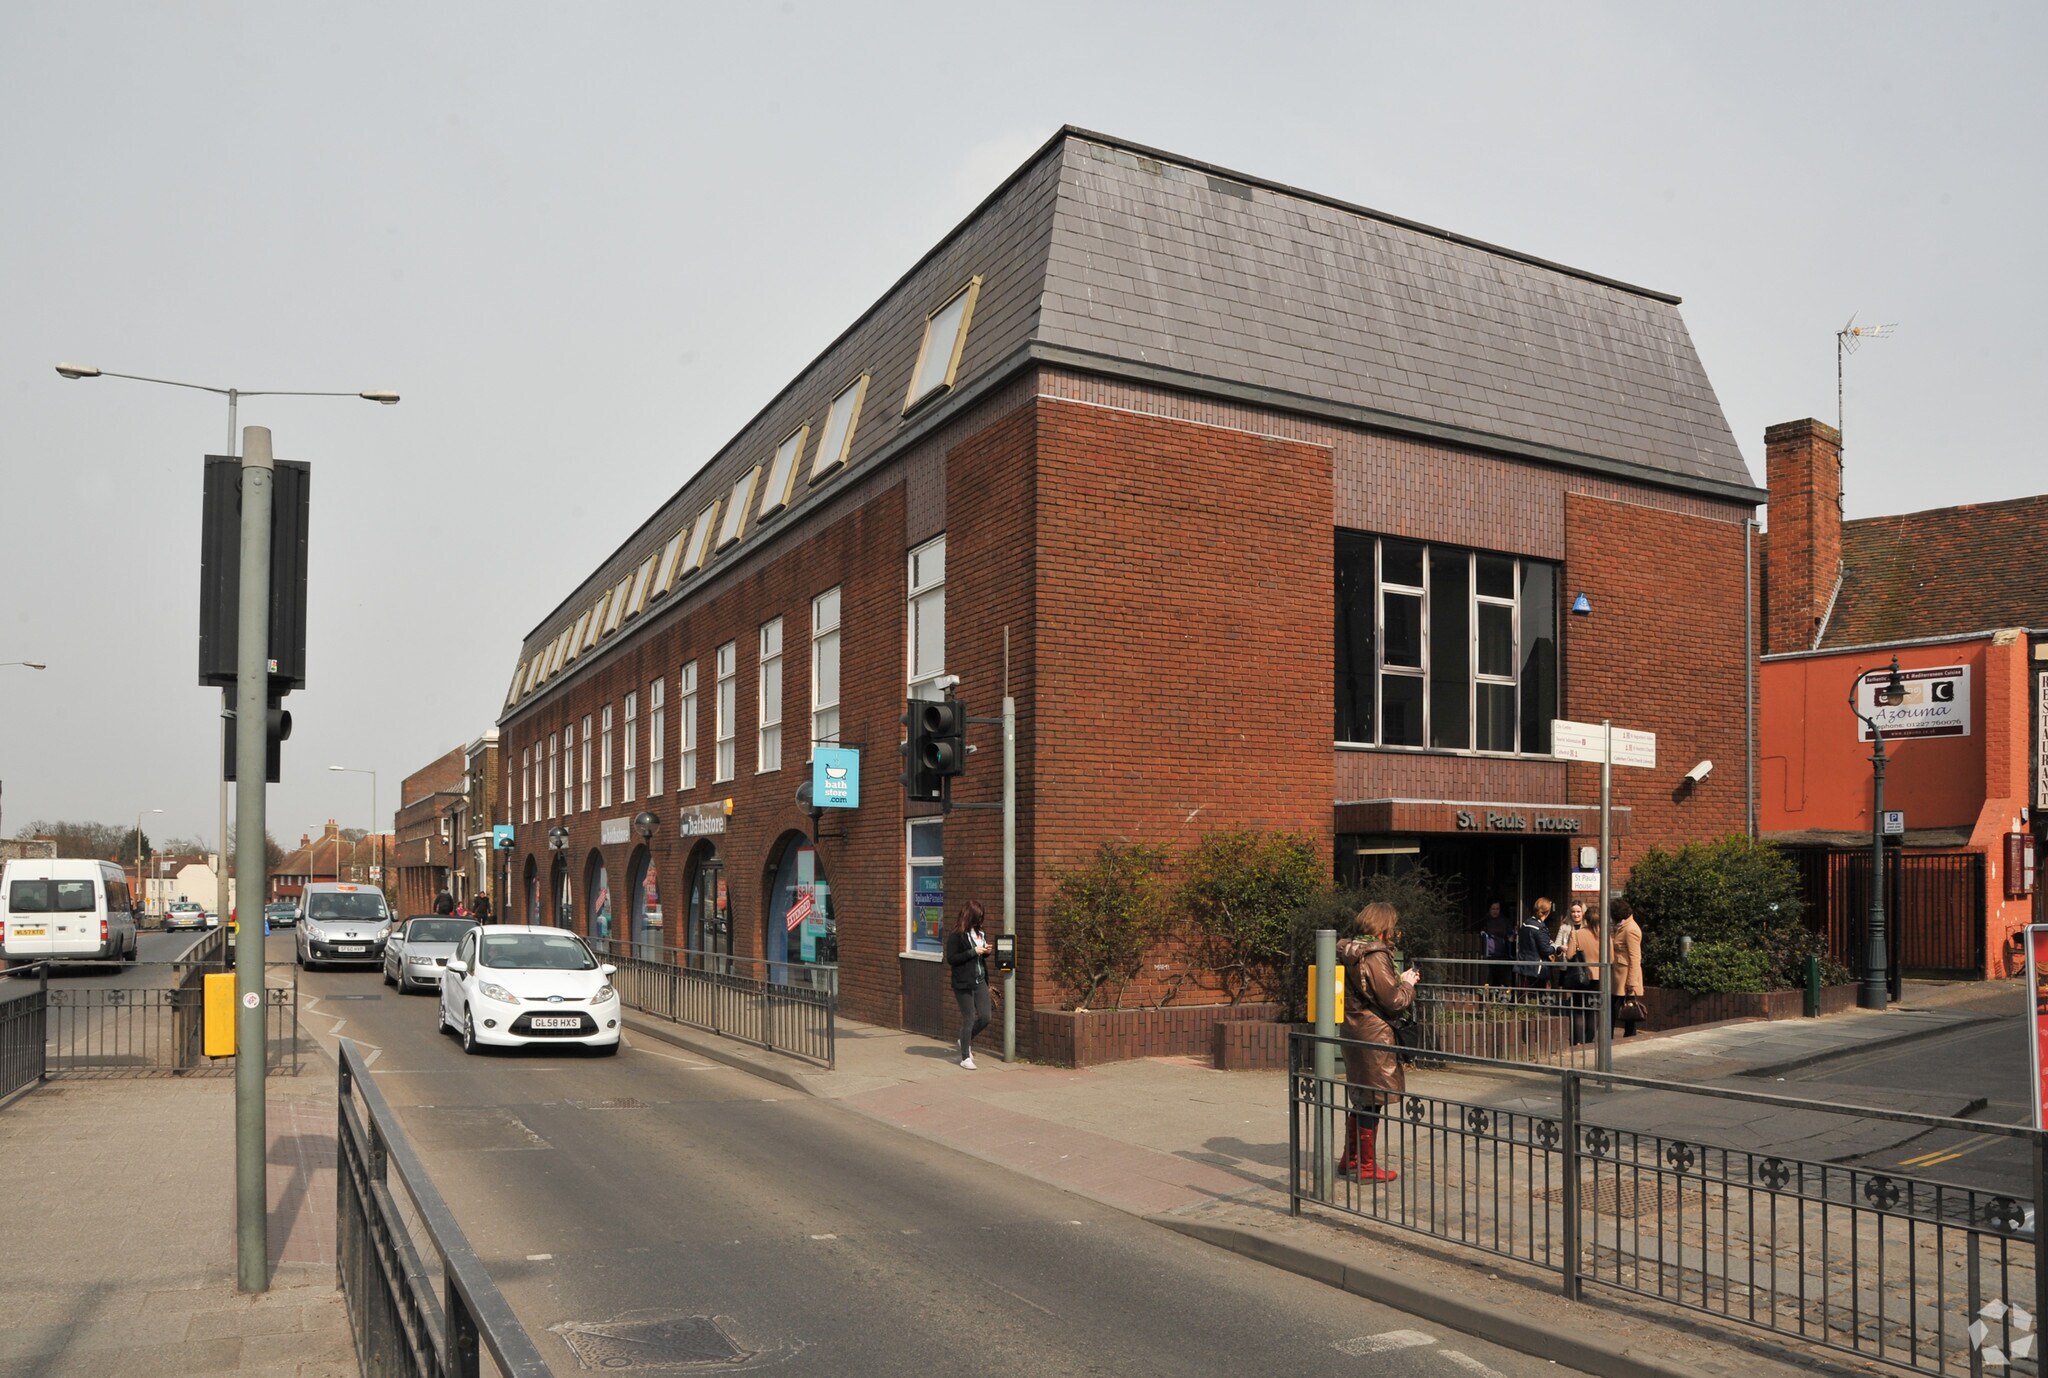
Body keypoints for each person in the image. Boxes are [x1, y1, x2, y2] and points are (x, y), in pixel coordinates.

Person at [1336, 901, 1421, 1183]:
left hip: (1354, 1028)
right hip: (1374, 1032)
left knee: (1362, 1096)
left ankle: (1351, 1159)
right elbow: (1394, 1001)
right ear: (1384, 927)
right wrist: (1408, 983)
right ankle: (1367, 1167)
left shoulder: (1349, 950)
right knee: (1373, 1100)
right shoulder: (1375, 954)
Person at [944, 899, 993, 1069]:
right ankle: (965, 1057)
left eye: (981, 918)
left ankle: (964, 1039)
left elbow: (980, 956)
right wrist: (973, 952)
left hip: (980, 980)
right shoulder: (956, 935)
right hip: (963, 982)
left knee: (986, 1017)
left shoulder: (980, 933)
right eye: (978, 918)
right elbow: (952, 959)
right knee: (969, 1017)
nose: (980, 921)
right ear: (969, 916)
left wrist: (986, 951)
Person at [1560, 903, 1602, 1045]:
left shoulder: (1577, 934)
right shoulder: (1605, 935)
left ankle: (1578, 1041)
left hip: (1582, 976)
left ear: (1586, 918)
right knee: (1593, 1009)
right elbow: (1612, 958)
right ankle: (1589, 1040)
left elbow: (1570, 954)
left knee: (1579, 1009)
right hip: (1599, 977)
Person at [1611, 896, 1645, 1037]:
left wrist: (1631, 982)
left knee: (1627, 1009)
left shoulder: (1630, 930)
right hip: (1619, 975)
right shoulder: (1623, 927)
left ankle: (1628, 1035)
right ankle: (1616, 1035)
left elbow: (1635, 957)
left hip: (1625, 978)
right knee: (1618, 1007)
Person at [1515, 899, 1556, 995]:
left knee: (1524, 994)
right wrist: (1555, 947)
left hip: (1524, 964)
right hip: (1537, 968)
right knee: (1536, 995)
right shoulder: (1540, 927)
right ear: (1548, 912)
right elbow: (1545, 950)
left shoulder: (1526, 923)